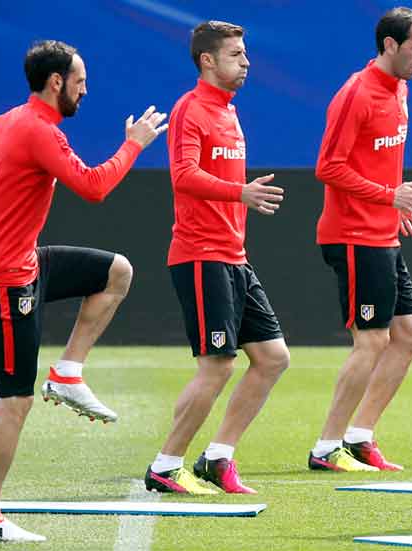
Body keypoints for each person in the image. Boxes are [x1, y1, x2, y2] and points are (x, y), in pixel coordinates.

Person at [0, 40, 166, 542]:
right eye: (80, 80)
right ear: (56, 81)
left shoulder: (6, 121)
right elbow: (94, 186)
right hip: (4, 281)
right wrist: (133, 144)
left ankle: (67, 372)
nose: (86, 89)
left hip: (20, 262)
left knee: (117, 272)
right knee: (15, 401)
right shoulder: (38, 130)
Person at [144, 20, 291, 495]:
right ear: (207, 60)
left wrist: (238, 198)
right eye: (235, 54)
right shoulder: (191, 109)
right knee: (219, 365)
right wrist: (240, 192)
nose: (246, 62)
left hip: (233, 257)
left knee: (272, 358)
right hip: (200, 255)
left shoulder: (229, 110)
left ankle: (217, 457)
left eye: (245, 53)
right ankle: (166, 464)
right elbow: (183, 175)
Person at [309, 6, 412, 473]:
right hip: (352, 235)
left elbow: (378, 160)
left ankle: (360, 437)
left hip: (381, 233)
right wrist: (389, 196)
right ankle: (327, 447)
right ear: (389, 44)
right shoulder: (357, 93)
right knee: (372, 340)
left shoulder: (400, 89)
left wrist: (394, 204)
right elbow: (328, 167)